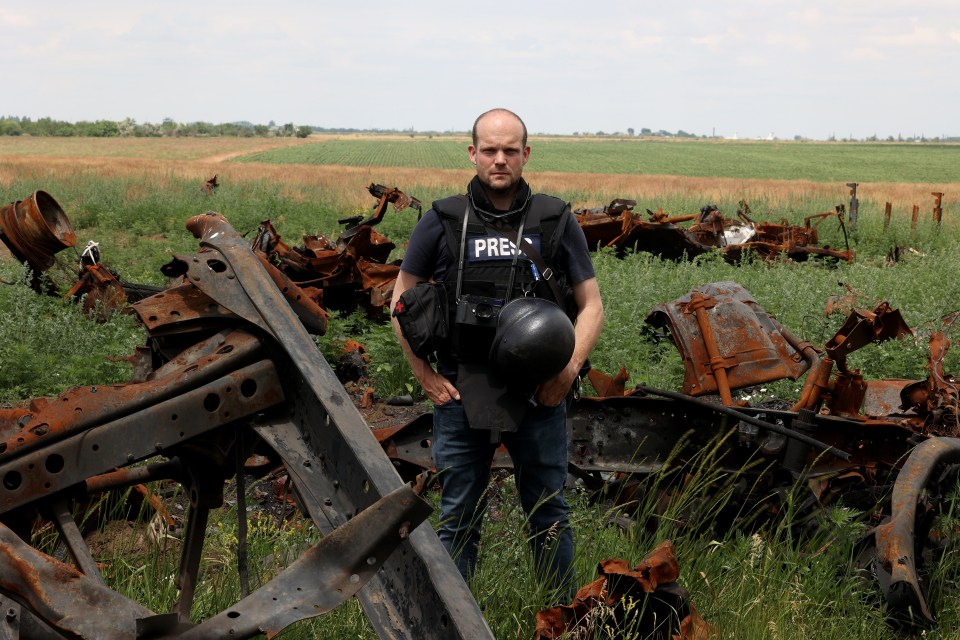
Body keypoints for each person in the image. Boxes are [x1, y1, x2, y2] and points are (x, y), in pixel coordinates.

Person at [390, 108, 604, 599]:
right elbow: (401, 303)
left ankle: (561, 624)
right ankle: (452, 627)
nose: (500, 159)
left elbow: (591, 306)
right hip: (462, 393)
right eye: (490, 149)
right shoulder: (442, 221)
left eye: (511, 150)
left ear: (526, 154)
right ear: (473, 153)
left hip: (540, 396)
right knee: (458, 519)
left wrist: (568, 371)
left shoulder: (554, 219)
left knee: (549, 514)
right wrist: (424, 375)